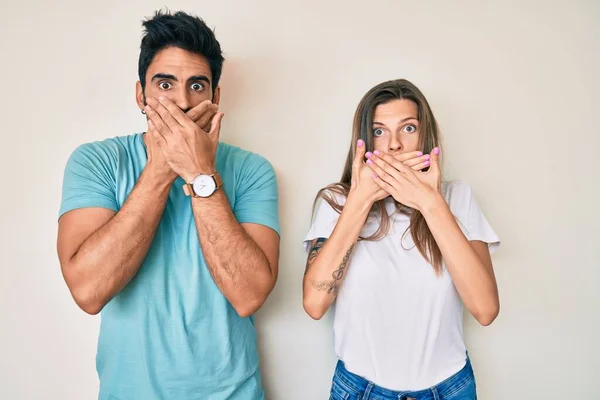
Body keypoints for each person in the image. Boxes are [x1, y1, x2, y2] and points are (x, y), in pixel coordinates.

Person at [57, 10, 280, 400]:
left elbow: (249, 296)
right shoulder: (95, 162)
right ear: (141, 94)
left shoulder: (252, 170)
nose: (181, 101)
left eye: (198, 85)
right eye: (165, 84)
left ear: (216, 97)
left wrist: (199, 173)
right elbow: (89, 292)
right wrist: (163, 167)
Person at [302, 79, 500, 400]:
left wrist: (430, 202)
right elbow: (314, 304)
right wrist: (360, 201)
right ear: (364, 141)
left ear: (426, 137)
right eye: (379, 131)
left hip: (450, 388)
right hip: (360, 389)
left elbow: (486, 309)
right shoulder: (335, 201)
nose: (394, 145)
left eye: (408, 129)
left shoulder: (457, 197)